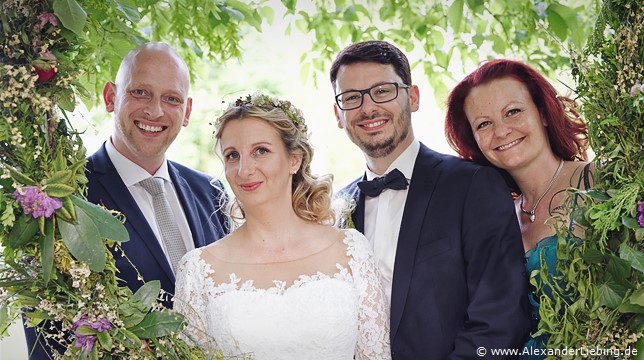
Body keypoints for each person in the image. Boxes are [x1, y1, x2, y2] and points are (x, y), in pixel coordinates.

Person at [24, 42, 228, 358]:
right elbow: (46, 336)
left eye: (171, 99)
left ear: (186, 112)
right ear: (110, 97)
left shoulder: (212, 192)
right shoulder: (63, 198)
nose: (155, 111)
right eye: (140, 93)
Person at [330, 40, 531, 359]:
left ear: (412, 98)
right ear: (338, 115)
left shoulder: (474, 185)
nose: (368, 108)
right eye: (352, 98)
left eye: (382, 91)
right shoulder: (335, 208)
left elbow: (501, 321)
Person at [174, 92, 391, 360]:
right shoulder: (197, 269)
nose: (243, 169)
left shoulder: (351, 250)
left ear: (294, 160)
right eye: (232, 155)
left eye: (260, 151)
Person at [444, 59, 592, 358]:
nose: (501, 131)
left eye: (513, 112)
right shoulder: (491, 217)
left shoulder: (598, 181)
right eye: (484, 124)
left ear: (543, 113)